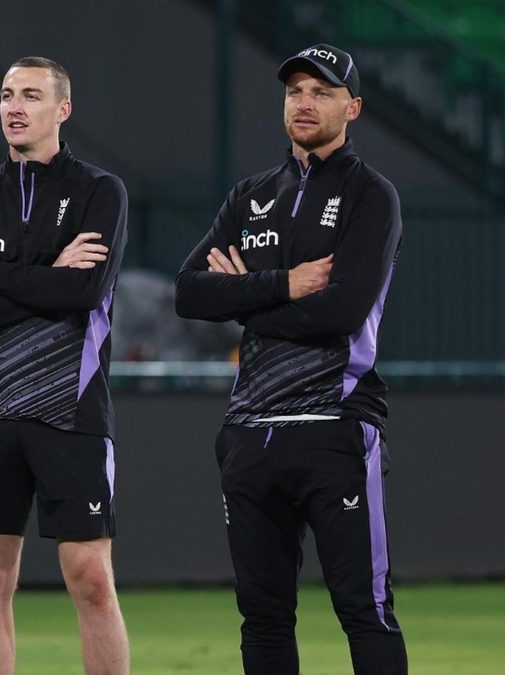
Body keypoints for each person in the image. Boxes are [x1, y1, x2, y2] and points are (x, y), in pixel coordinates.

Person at [174, 43, 407, 674]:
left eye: (322, 91)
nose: (304, 102)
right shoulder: (250, 194)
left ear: (352, 108)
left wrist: (243, 299)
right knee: (263, 615)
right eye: (295, 90)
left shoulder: (370, 195)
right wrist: (284, 284)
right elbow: (189, 293)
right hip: (250, 433)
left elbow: (341, 312)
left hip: (336, 426)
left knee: (365, 607)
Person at [0, 56, 130, 675]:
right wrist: (47, 271)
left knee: (90, 576)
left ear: (62, 110)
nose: (14, 107)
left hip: (68, 408)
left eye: (31, 96)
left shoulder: (100, 190)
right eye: (7, 95)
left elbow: (83, 291)